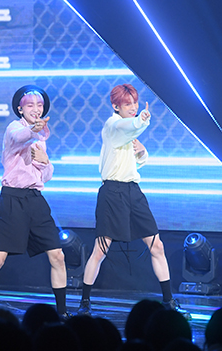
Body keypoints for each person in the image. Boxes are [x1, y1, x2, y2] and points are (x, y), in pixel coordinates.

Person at [77, 84, 187, 317]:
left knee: (157, 245)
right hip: (112, 192)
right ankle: (84, 302)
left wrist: (142, 152)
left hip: (133, 192)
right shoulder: (113, 125)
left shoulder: (128, 132)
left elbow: (137, 159)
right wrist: (141, 121)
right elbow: (126, 126)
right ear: (116, 106)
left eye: (135, 103)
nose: (133, 107)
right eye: (127, 104)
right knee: (100, 250)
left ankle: (169, 301)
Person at [0, 85, 70, 318]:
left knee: (58, 255)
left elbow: (46, 176)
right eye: (30, 105)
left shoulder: (41, 139)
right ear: (20, 109)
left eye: (40, 105)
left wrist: (46, 162)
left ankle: (62, 312)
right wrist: (34, 129)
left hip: (35, 199)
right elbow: (20, 136)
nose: (36, 109)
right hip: (12, 199)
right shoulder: (14, 128)